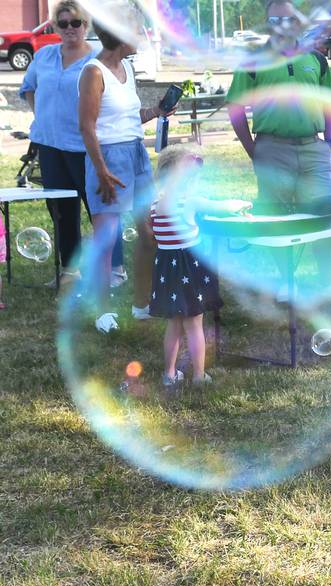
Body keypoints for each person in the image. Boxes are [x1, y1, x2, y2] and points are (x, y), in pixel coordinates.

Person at [227, 0, 331, 301]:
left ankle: (326, 281)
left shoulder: (315, 60)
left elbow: (330, 103)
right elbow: (236, 108)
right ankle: (286, 281)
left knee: (324, 212)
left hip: (312, 147)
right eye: (275, 20)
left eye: (289, 19)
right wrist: (253, 149)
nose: (283, 25)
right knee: (276, 216)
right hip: (271, 147)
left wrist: (328, 142)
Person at [78, 6, 173, 334]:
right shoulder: (93, 71)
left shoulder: (127, 69)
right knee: (106, 239)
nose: (142, 36)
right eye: (137, 30)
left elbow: (128, 118)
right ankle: (102, 312)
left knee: (148, 233)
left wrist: (156, 110)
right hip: (107, 159)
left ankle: (141, 304)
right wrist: (101, 171)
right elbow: (87, 128)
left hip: (136, 154)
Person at [19, 1, 103, 289]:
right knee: (61, 209)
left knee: (97, 209)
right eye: (63, 23)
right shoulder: (43, 56)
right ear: (55, 26)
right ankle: (70, 270)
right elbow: (28, 87)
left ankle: (110, 271)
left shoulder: (96, 60)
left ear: (85, 26)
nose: (70, 29)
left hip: (84, 147)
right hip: (49, 146)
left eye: (76, 23)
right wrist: (41, 117)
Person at [148, 146, 235, 386]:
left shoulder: (155, 203)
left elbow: (154, 233)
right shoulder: (190, 201)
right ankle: (198, 376)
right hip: (188, 265)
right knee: (195, 323)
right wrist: (241, 205)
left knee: (174, 323)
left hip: (166, 266)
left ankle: (169, 374)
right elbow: (221, 208)